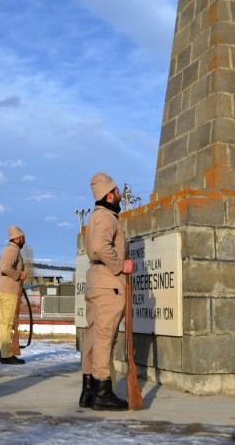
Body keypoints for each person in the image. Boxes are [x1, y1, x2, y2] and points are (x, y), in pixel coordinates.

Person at [79, 173, 134, 411]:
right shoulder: (107, 218)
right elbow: (102, 247)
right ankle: (103, 391)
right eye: (117, 191)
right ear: (109, 195)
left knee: (92, 338)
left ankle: (89, 390)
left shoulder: (95, 217)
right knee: (104, 338)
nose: (120, 195)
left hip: (96, 280)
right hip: (107, 282)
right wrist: (121, 265)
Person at [0, 225, 27, 365]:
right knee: (7, 324)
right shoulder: (13, 251)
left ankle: (1, 352)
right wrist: (19, 275)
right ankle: (6, 355)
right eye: (23, 238)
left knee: (2, 324)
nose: (24, 240)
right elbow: (5, 268)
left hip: (2, 290)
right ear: (18, 238)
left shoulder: (7, 250)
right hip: (9, 292)